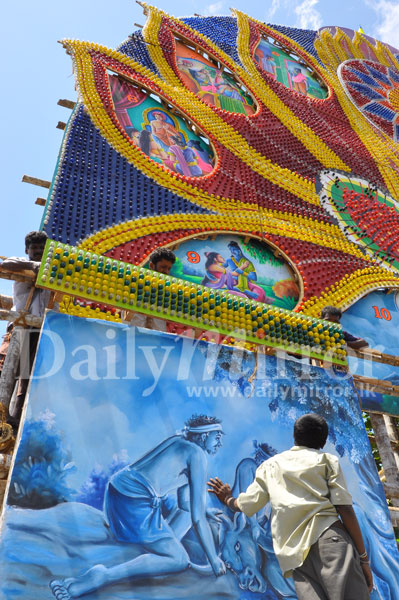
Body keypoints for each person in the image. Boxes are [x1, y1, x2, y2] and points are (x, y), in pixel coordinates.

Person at [50, 415, 226, 599]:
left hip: (118, 495)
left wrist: (204, 511)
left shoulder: (178, 441)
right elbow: (197, 519)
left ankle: (162, 550)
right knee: (180, 560)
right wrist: (213, 559)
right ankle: (103, 576)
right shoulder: (197, 455)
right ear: (204, 436)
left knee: (187, 513)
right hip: (134, 503)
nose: (219, 443)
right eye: (218, 437)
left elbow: (186, 505)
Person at [208, 413, 373, 600]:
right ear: (323, 440)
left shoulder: (270, 466)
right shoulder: (326, 460)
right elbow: (345, 509)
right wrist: (363, 558)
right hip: (329, 540)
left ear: (295, 437)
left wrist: (228, 498)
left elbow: (246, 505)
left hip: (294, 555)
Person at [0, 231, 51, 425]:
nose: (38, 251)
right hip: (20, 325)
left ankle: (15, 417)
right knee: (5, 365)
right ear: (27, 250)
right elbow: (4, 265)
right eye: (34, 248)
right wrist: (32, 266)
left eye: (41, 248)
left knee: (27, 375)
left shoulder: (52, 269)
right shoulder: (21, 263)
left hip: (40, 329)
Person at [128, 248, 175, 332]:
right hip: (132, 333)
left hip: (156, 339)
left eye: (168, 268)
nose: (166, 271)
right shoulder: (136, 283)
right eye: (163, 267)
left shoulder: (167, 292)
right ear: (151, 265)